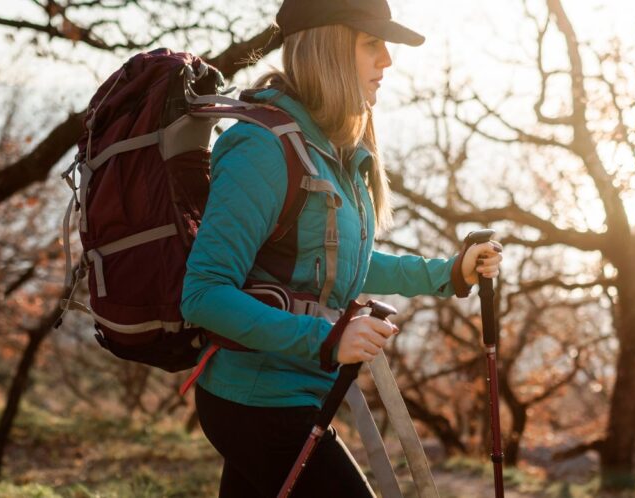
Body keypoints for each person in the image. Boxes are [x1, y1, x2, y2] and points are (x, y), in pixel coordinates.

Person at [180, 0, 503, 496]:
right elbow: (203, 294)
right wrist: (326, 339)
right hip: (256, 399)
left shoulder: (331, 149)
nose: (387, 61)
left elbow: (342, 266)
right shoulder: (262, 149)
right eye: (372, 43)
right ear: (329, 46)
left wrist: (449, 273)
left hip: (299, 394)